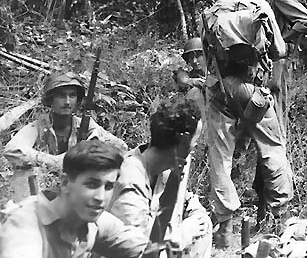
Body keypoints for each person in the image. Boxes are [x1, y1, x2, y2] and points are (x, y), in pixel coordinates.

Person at [201, 0, 290, 247]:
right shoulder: (260, 7)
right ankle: (280, 218)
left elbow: (206, 54)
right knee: (272, 150)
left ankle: (225, 228)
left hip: (222, 89)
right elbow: (279, 50)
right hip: (255, 89)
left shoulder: (210, 12)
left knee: (220, 158)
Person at [0, 140, 148, 258]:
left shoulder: (93, 219)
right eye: (91, 185)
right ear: (65, 183)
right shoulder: (25, 226)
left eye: (108, 187)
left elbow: (143, 248)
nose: (100, 197)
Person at [108, 97, 212, 258]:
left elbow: (189, 202)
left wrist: (198, 217)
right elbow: (134, 249)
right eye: (195, 140)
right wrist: (182, 233)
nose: (195, 146)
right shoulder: (130, 179)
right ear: (184, 140)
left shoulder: (166, 169)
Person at [3, 73, 127, 201]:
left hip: (79, 191)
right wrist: (53, 161)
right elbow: (12, 149)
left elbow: (121, 147)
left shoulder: (86, 125)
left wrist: (95, 144)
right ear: (51, 99)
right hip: (44, 190)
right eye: (62, 95)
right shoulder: (39, 126)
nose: (67, 102)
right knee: (24, 172)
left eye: (72, 95)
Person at [249, 0, 307, 125]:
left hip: (280, 59)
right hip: (267, 59)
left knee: (278, 105)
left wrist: (283, 38)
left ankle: (282, 147)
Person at [173, 37, 208, 118]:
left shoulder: (217, 73)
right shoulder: (190, 76)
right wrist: (192, 81)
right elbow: (180, 76)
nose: (194, 61)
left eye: (198, 56)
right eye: (191, 58)